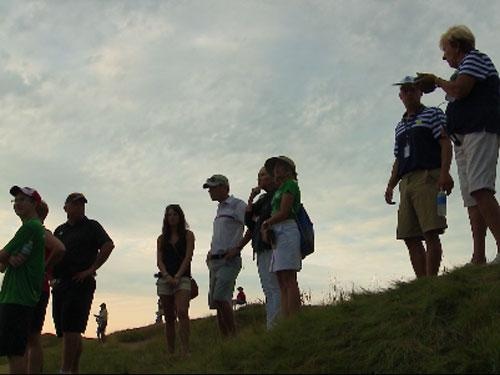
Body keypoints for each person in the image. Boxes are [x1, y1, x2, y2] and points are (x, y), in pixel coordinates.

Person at [416, 25, 500, 265]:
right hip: (464, 138)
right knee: (472, 199)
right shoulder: (464, 68)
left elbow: (460, 90)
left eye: (445, 50)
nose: (444, 56)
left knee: (481, 190)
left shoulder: (475, 58)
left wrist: (437, 80)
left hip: (480, 132)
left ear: (457, 45)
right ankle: (478, 257)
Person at [385, 76, 454, 278]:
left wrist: (444, 172)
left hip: (428, 176)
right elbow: (398, 158)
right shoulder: (399, 125)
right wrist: (390, 185)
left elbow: (444, 143)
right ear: (400, 96)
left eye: (412, 90)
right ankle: (422, 281)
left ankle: (431, 279)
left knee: (430, 230)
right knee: (409, 235)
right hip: (406, 181)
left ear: (420, 92)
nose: (408, 94)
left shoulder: (433, 113)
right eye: (404, 91)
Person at [51, 192, 115, 374]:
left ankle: (64, 370)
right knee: (67, 330)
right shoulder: (60, 230)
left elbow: (108, 245)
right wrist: (52, 277)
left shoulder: (92, 226)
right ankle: (74, 370)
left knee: (72, 327)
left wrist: (91, 269)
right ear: (66, 208)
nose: (79, 207)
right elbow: (54, 254)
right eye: (75, 204)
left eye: (82, 204)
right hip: (61, 284)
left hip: (80, 283)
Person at [0, 186, 45, 374]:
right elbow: (6, 262)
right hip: (18, 297)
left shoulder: (29, 228)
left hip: (16, 298)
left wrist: (7, 258)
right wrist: (9, 259)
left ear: (34, 203)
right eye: (15, 200)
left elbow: (2, 255)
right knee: (16, 350)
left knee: (14, 352)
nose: (17, 203)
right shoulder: (34, 229)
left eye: (22, 200)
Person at [24, 201, 65, 374]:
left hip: (35, 290)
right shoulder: (33, 233)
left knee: (31, 337)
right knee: (28, 338)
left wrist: (44, 267)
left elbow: (59, 248)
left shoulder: (40, 232)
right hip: (31, 289)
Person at [203, 174, 248, 337]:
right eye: (209, 188)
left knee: (221, 297)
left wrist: (238, 248)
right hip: (215, 261)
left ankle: (234, 336)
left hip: (229, 260)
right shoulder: (220, 208)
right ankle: (226, 340)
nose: (210, 191)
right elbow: (221, 234)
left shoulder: (237, 205)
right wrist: (211, 252)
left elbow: (252, 225)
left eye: (213, 188)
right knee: (217, 302)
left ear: (224, 187)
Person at [261, 156, 302, 318]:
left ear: (289, 169)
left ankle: (294, 317)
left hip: (287, 230)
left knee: (289, 277)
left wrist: (267, 223)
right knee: (281, 278)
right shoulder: (280, 188)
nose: (277, 169)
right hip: (278, 231)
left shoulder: (291, 185)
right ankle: (287, 317)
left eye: (281, 166)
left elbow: (285, 211)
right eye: (275, 167)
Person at [245, 166, 281, 329]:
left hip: (272, 246)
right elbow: (249, 222)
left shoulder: (278, 196)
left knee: (274, 287)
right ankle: (272, 324)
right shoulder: (263, 199)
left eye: (264, 175)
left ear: (274, 177)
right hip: (261, 247)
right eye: (258, 175)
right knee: (268, 287)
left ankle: (275, 326)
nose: (260, 178)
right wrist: (251, 198)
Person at [156, 204, 195, 356]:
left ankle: (185, 349)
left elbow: (188, 257)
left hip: (183, 277)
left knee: (182, 311)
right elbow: (159, 261)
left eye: (175, 214)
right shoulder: (161, 238)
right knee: (169, 316)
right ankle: (171, 351)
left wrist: (178, 276)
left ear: (180, 217)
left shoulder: (188, 235)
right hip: (165, 279)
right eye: (169, 215)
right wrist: (166, 275)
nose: (172, 217)